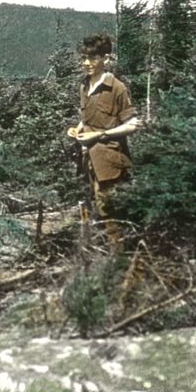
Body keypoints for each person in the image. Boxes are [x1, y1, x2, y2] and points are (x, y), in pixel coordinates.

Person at [66, 33, 140, 249]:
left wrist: (100, 135)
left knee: (110, 209)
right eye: (84, 58)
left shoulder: (117, 88)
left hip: (110, 160)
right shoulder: (84, 85)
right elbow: (87, 116)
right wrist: (78, 128)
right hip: (88, 159)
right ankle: (101, 255)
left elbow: (133, 124)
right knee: (93, 207)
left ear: (105, 59)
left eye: (93, 58)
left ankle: (120, 261)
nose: (87, 63)